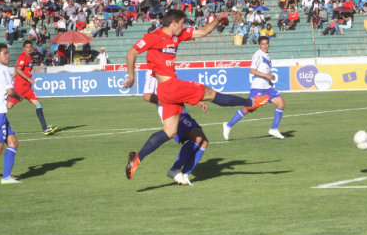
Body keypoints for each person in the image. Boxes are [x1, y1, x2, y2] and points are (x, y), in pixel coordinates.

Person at [122, 9, 269, 180]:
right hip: (171, 86)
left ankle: (137, 158)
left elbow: (202, 32)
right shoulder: (153, 37)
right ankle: (251, 101)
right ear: (173, 22)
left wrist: (218, 19)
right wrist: (131, 75)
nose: (184, 26)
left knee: (169, 132)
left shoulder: (178, 35)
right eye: (182, 23)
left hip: (166, 92)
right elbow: (131, 52)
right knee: (211, 94)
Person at [143, 71, 207, 186]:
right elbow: (148, 96)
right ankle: (175, 170)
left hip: (181, 111)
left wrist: (193, 98)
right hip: (170, 114)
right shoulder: (152, 71)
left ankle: (184, 174)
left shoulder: (169, 68)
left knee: (204, 142)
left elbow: (177, 91)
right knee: (197, 138)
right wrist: (169, 101)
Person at [223, 36, 285, 140]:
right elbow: (252, 70)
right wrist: (267, 76)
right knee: (249, 108)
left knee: (281, 104)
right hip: (258, 87)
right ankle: (228, 125)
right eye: (263, 44)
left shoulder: (267, 55)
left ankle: (274, 129)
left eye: (267, 43)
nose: (265, 46)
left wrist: (268, 80)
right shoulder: (257, 55)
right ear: (259, 45)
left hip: (267, 87)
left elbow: (264, 70)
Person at [7, 41, 58, 136]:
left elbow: (17, 65)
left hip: (27, 87)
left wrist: (14, 73)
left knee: (38, 104)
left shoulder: (30, 57)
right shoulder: (23, 56)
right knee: (8, 106)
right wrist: (28, 78)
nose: (29, 49)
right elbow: (19, 68)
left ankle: (45, 128)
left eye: (30, 47)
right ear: (24, 48)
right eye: (27, 47)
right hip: (20, 87)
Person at [0, 43, 21, 184]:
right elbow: (10, 91)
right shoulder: (3, 69)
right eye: (5, 53)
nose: (8, 55)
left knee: (13, 142)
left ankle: (6, 177)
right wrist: (18, 97)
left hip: (0, 111)